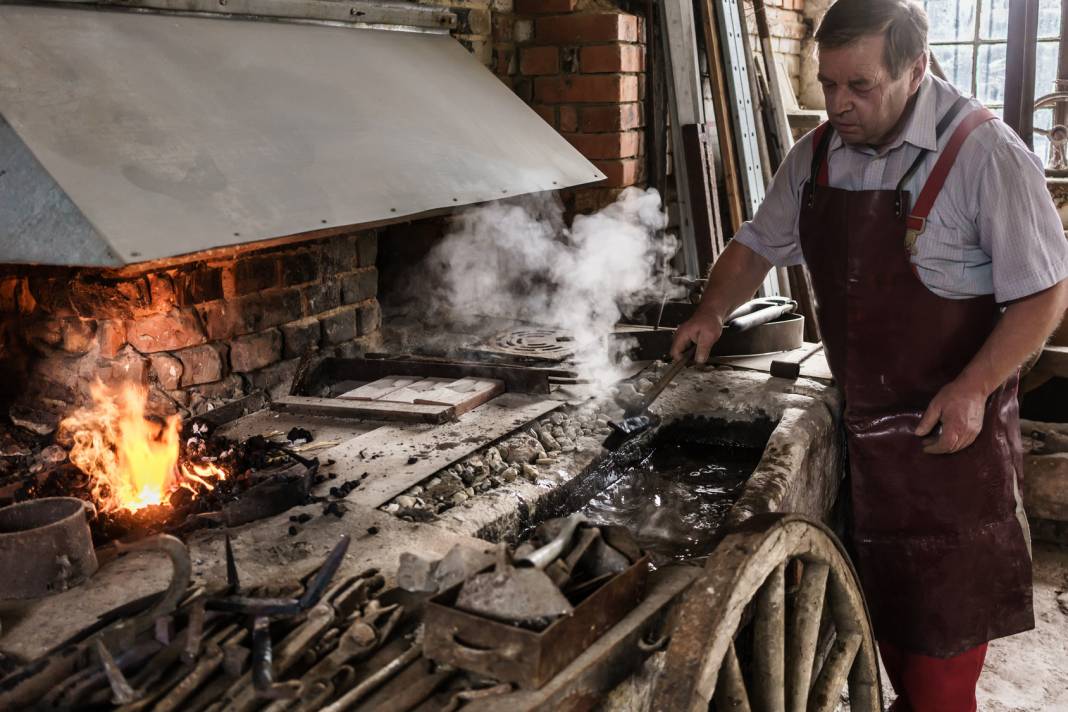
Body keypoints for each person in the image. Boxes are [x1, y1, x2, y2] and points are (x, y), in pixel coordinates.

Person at [670, 1, 1068, 709]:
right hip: (857, 434)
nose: (839, 105)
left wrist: (975, 386)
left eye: (861, 86)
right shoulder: (817, 155)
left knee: (938, 655)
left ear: (915, 70)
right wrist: (711, 309)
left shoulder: (985, 154)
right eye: (828, 85)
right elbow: (758, 243)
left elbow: (1043, 296)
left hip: (950, 442)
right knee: (871, 623)